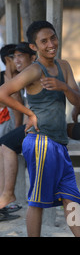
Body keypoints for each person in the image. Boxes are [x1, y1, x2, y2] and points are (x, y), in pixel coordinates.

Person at [0, 21, 80, 236]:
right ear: (34, 47)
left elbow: (77, 100)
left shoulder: (64, 66)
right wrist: (30, 114)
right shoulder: (34, 70)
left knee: (71, 198)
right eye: (44, 41)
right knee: (37, 201)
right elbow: (2, 92)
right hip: (40, 142)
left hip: (59, 144)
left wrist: (63, 86)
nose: (51, 44)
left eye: (53, 38)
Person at [0, 42, 36, 216]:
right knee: (4, 144)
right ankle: (3, 197)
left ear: (32, 57)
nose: (17, 60)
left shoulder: (31, 73)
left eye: (20, 56)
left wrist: (28, 115)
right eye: (13, 57)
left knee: (5, 145)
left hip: (39, 126)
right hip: (31, 124)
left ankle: (7, 195)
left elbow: (12, 101)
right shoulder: (20, 76)